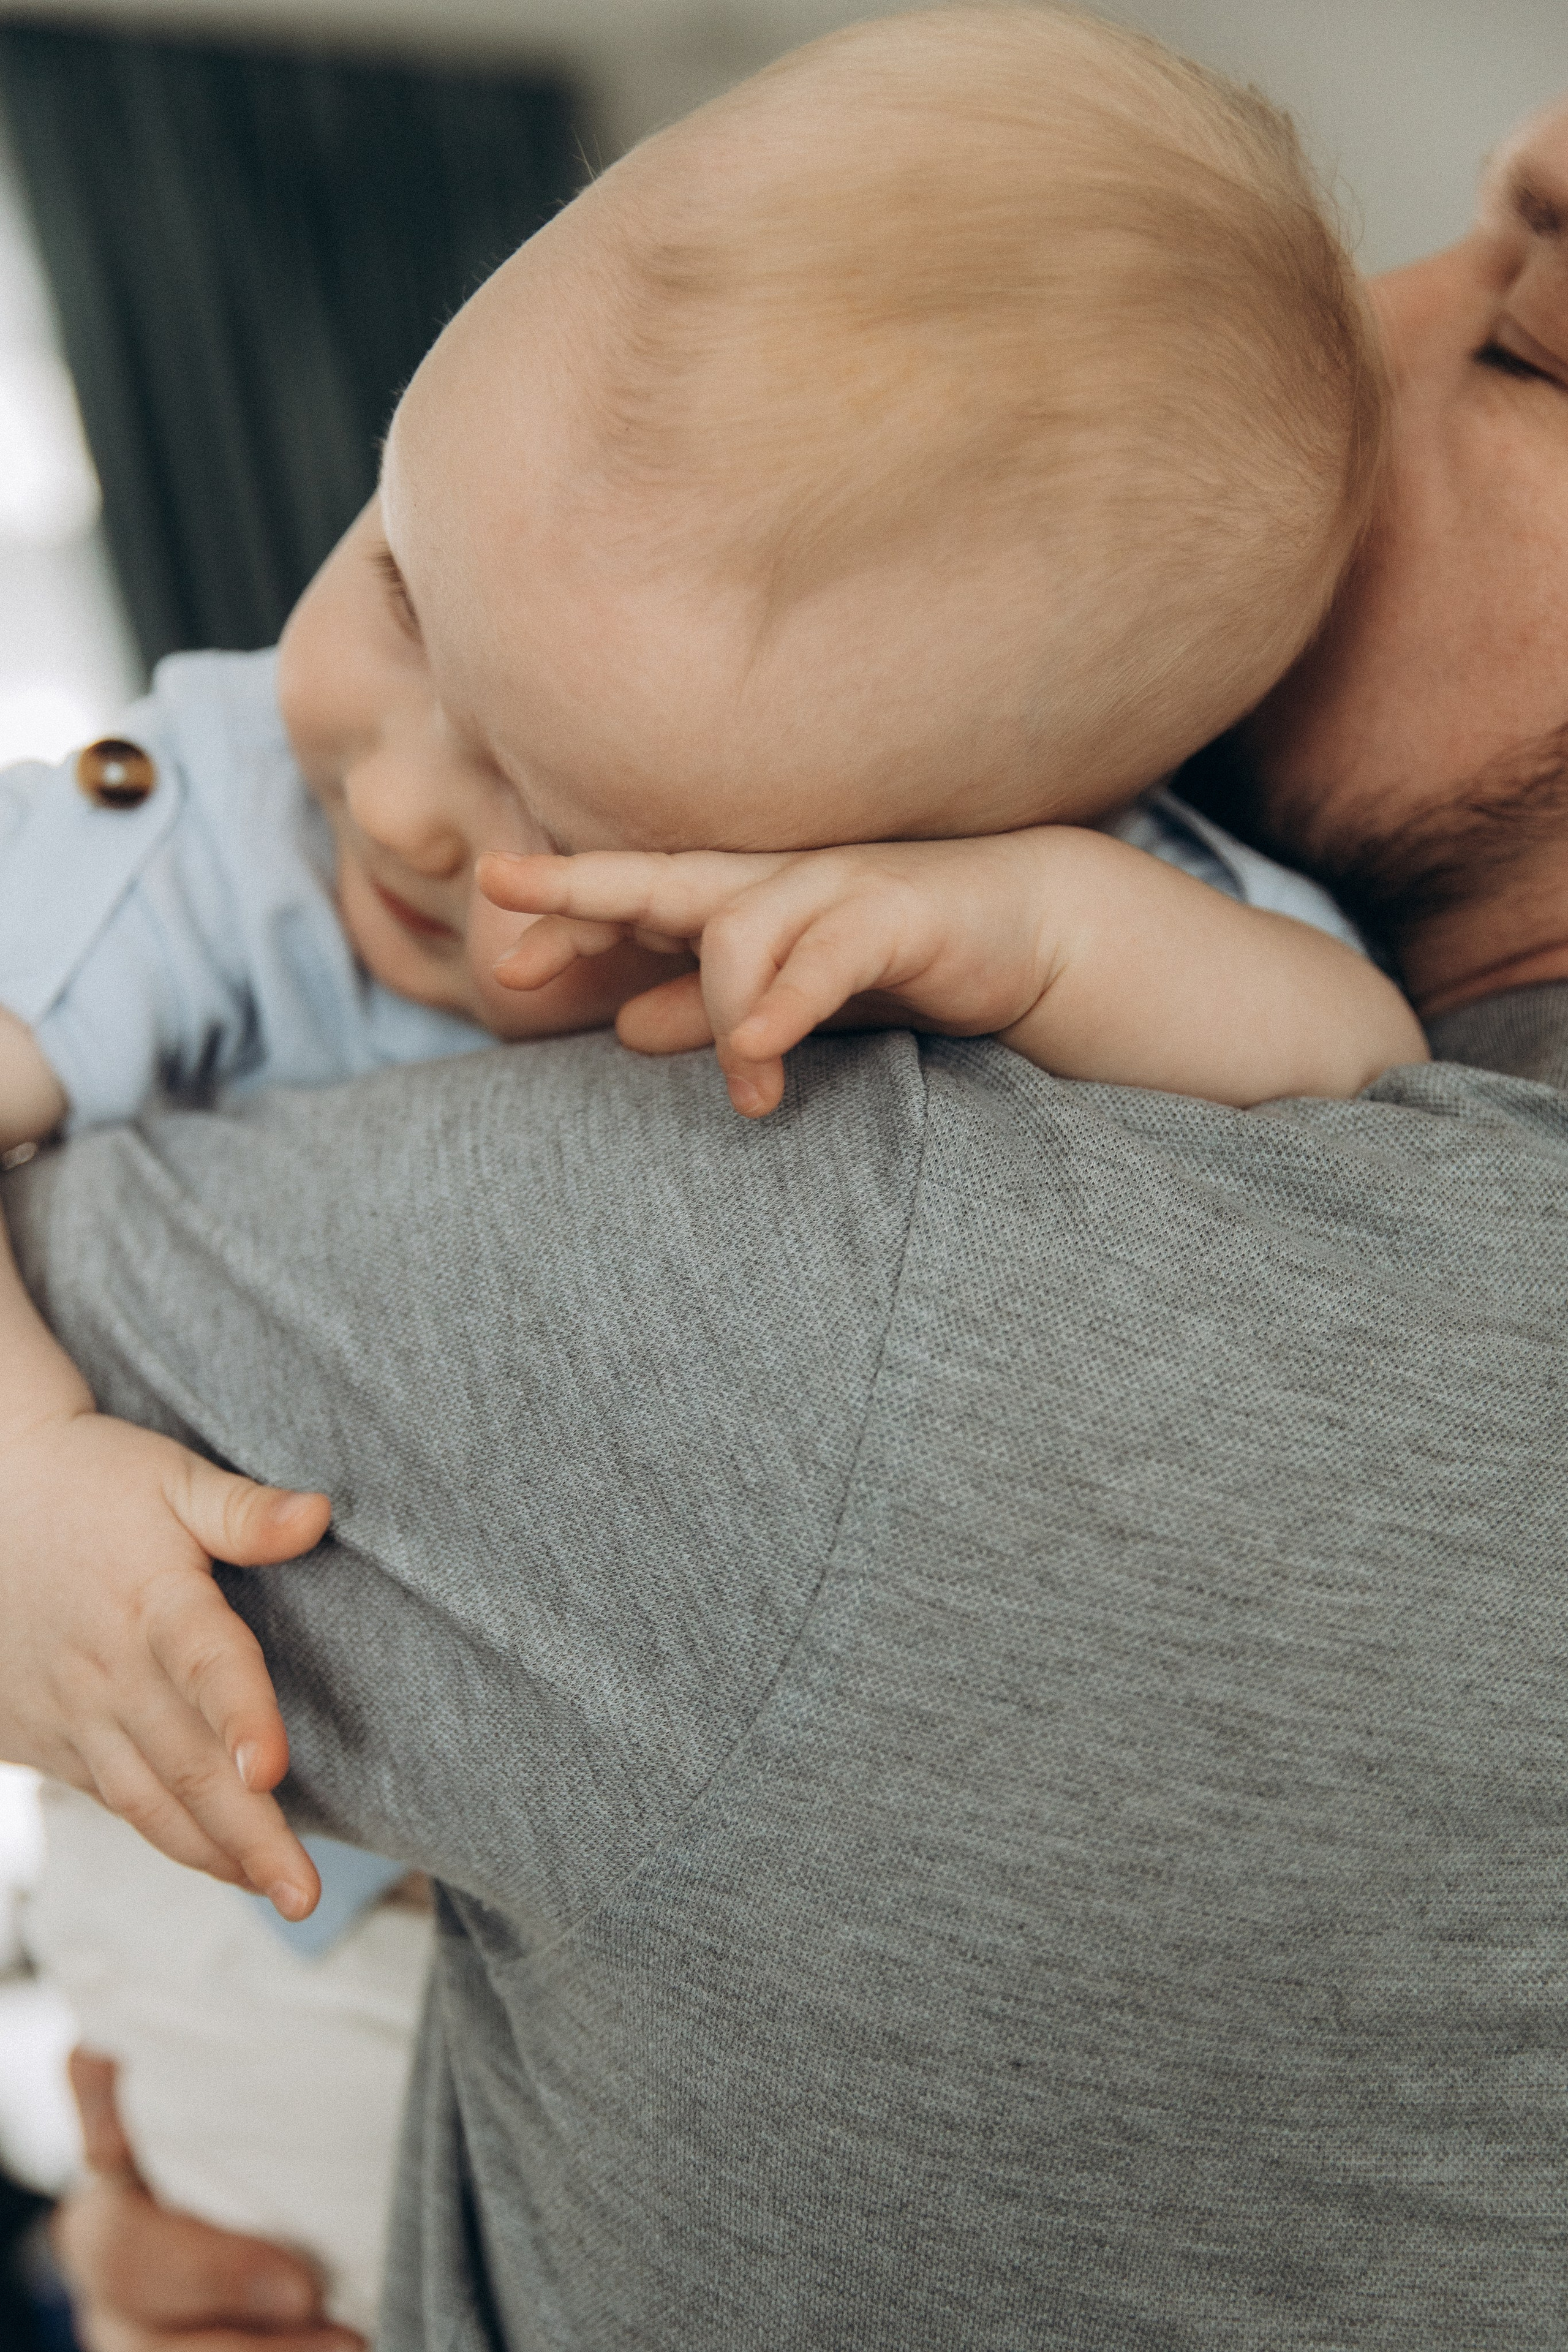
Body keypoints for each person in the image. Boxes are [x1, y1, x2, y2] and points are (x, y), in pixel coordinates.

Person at [13, 26, 1568, 2352]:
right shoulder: (192, 826)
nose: (415, 812)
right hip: (238, 1885)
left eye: (1537, 340)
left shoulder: (1005, 1045)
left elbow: (1342, 1077)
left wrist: (1055, 931)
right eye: (404, 590)